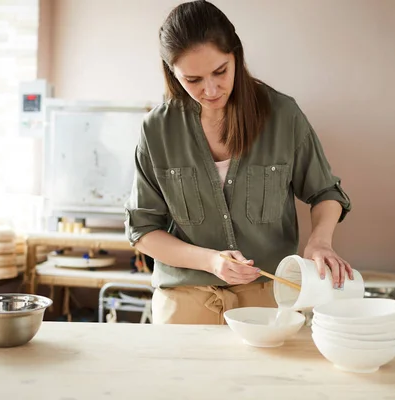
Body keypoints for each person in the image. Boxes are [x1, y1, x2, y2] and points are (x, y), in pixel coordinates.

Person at [125, 0, 352, 325]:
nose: (211, 89)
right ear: (172, 72)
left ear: (236, 56)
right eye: (193, 80)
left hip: (269, 296)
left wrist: (320, 241)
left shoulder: (283, 116)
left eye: (220, 71)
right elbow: (143, 230)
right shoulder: (157, 130)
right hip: (184, 301)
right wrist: (210, 261)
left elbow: (325, 192)